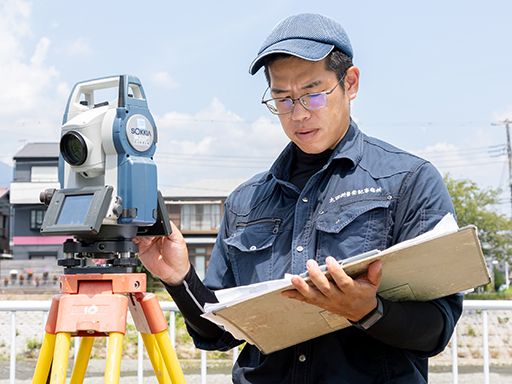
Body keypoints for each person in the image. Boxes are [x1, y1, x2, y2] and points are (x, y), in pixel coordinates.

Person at [136, 13, 462, 384]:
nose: (299, 113)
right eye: (283, 99)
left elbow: (437, 329)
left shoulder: (408, 180)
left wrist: (368, 310)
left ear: (350, 83)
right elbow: (217, 333)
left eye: (313, 93)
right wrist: (179, 278)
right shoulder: (247, 200)